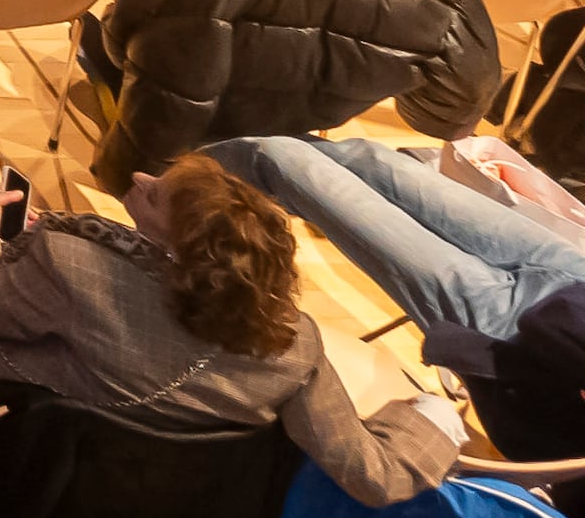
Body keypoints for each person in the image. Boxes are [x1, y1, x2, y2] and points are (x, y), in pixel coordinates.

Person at [0, 150, 458, 504]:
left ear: (180, 253)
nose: (142, 180)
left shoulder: (72, 266)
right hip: (134, 496)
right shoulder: (294, 347)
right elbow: (375, 473)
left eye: (157, 195)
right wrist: (434, 415)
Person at [205, 133, 585, 460]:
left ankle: (165, 188)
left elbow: (549, 329)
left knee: (282, 161)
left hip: (517, 336)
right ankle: (193, 169)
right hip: (572, 282)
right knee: (370, 160)